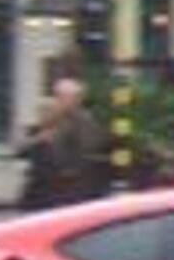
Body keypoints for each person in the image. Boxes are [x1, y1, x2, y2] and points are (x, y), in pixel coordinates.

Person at [19, 76, 108, 208]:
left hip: (70, 191)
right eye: (60, 97)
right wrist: (38, 140)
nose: (61, 101)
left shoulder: (85, 122)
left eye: (69, 97)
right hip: (41, 192)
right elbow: (22, 149)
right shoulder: (47, 120)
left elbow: (89, 149)